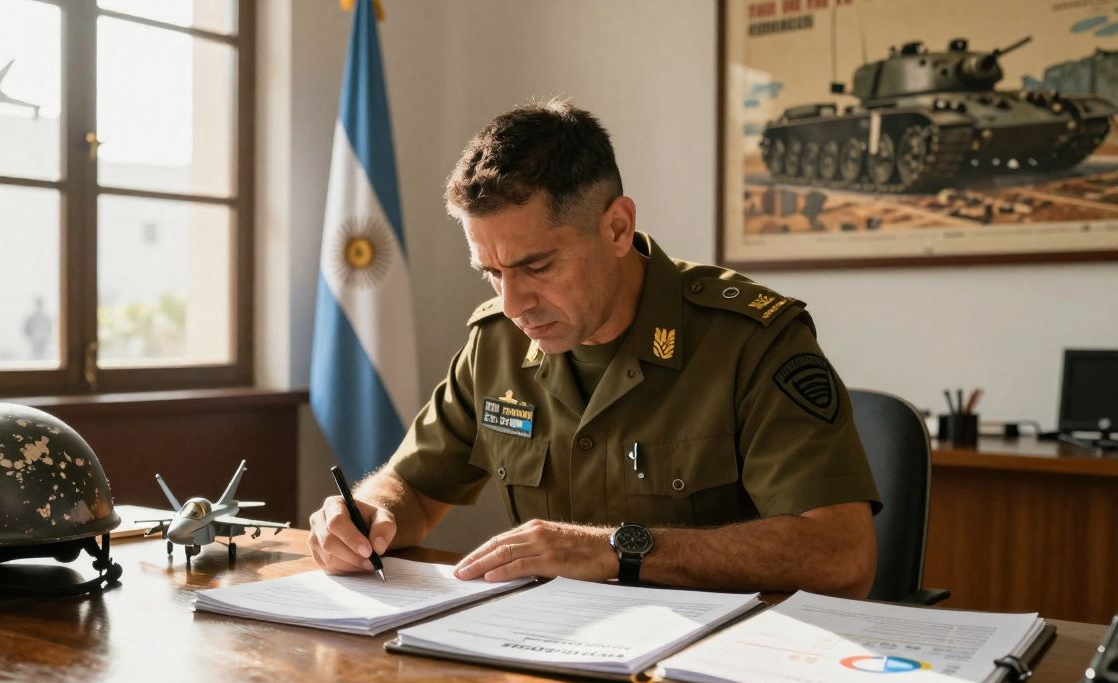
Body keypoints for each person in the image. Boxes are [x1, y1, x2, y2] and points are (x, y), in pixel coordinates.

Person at [308, 100, 880, 597]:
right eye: (491, 273)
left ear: (616, 228)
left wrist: (618, 548)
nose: (512, 303)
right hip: (549, 657)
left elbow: (842, 556)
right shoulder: (498, 345)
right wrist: (367, 511)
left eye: (537, 266)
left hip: (717, 669)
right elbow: (414, 488)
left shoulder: (750, 340)